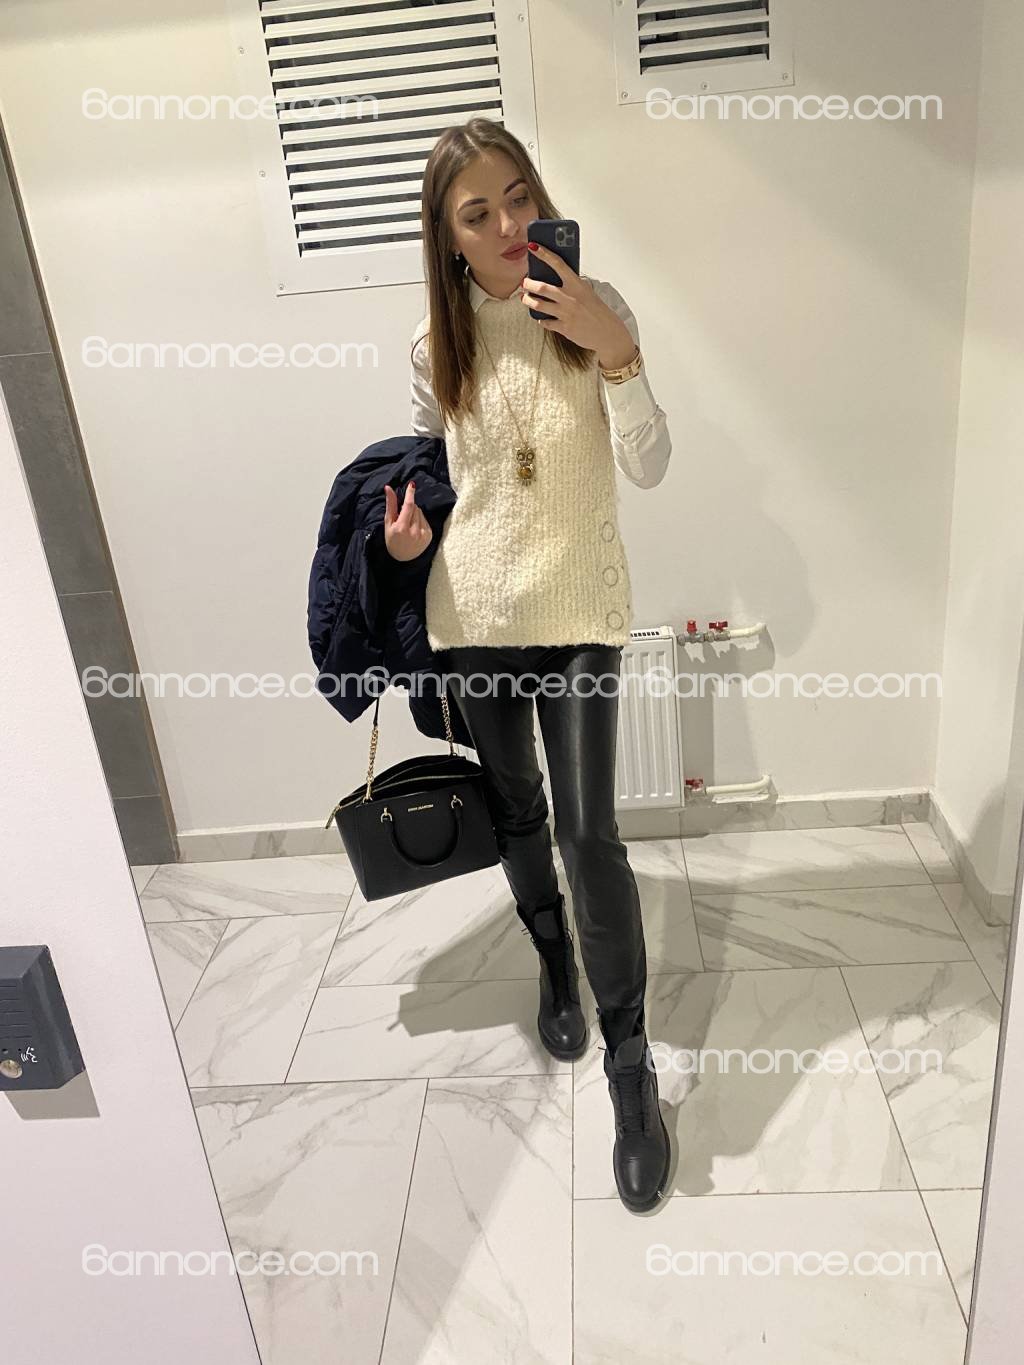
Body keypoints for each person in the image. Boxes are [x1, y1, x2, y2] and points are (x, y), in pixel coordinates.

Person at [384, 117, 673, 1213]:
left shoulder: (596, 307)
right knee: (516, 810)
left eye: (518, 196)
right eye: (478, 212)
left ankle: (630, 1064)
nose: (509, 223)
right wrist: (406, 542)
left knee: (590, 831)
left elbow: (650, 466)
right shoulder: (434, 345)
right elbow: (437, 476)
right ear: (448, 237)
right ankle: (553, 959)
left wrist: (615, 350)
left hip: (582, 610)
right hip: (476, 618)